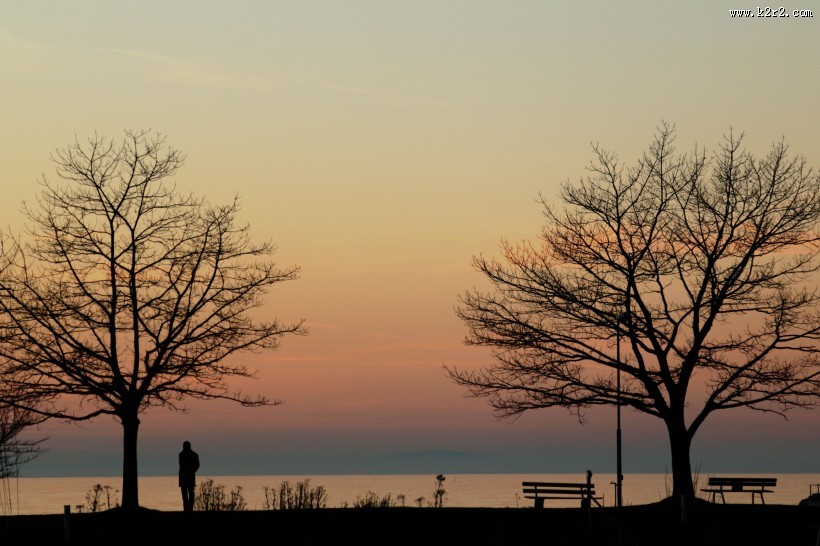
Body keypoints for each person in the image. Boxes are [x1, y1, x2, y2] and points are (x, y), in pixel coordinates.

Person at [179, 441, 200, 512]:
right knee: (187, 493)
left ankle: (189, 508)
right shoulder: (192, 455)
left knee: (188, 493)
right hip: (186, 476)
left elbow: (197, 465)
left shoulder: (182, 455)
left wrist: (192, 471)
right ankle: (187, 508)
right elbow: (197, 465)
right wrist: (193, 471)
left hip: (186, 476)